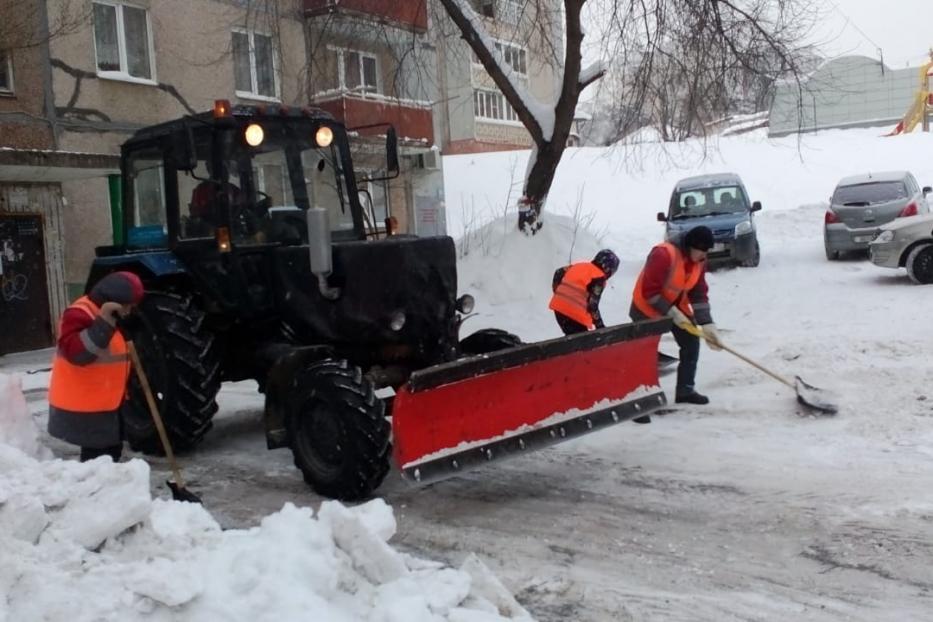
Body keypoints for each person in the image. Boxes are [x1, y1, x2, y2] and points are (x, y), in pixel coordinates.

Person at [47, 271, 145, 462]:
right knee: (96, 461)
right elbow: (79, 354)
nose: (130, 311)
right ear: (113, 301)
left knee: (110, 456)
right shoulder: (79, 314)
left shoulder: (115, 318)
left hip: (109, 402)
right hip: (86, 404)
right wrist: (104, 323)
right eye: (128, 306)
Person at [630, 226, 723, 405]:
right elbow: (650, 292)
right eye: (702, 250)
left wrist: (707, 323)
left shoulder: (699, 260)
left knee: (691, 342)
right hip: (646, 309)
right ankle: (641, 400)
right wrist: (672, 314)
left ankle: (685, 391)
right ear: (691, 246)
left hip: (676, 307)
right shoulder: (663, 254)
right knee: (646, 354)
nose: (705, 256)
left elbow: (698, 292)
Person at [549, 249, 620, 335]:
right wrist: (600, 326)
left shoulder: (579, 266)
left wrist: (557, 291)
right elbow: (593, 304)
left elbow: (558, 272)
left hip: (558, 308)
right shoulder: (599, 278)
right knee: (582, 344)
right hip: (574, 314)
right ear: (608, 269)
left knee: (572, 338)